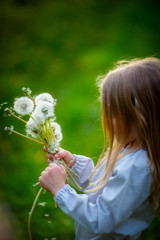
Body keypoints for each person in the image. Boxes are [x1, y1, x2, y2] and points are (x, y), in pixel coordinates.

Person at [39, 57, 160, 240]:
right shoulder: (130, 148)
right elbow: (102, 189)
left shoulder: (139, 166)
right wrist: (73, 164)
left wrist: (61, 190)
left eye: (111, 112)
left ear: (137, 116)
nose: (105, 119)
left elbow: (100, 219)